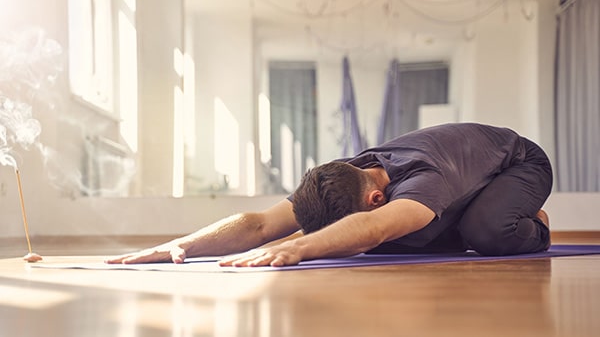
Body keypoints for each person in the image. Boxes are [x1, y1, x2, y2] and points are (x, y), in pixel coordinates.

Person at [106, 123, 553, 267]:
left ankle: (532, 223)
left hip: (518, 164)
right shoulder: (338, 178)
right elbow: (261, 224)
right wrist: (181, 244)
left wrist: (296, 248)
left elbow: (372, 229)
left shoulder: (423, 180)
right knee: (400, 237)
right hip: (460, 176)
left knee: (486, 232)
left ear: (377, 197)